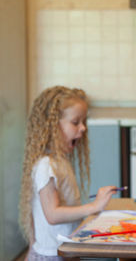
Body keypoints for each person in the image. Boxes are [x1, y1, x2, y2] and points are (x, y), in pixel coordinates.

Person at [19, 86, 117, 260]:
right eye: (75, 122)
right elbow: (52, 215)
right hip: (51, 255)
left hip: (64, 249)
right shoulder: (46, 165)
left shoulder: (59, 161)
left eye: (84, 122)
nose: (83, 128)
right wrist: (94, 207)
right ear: (52, 126)